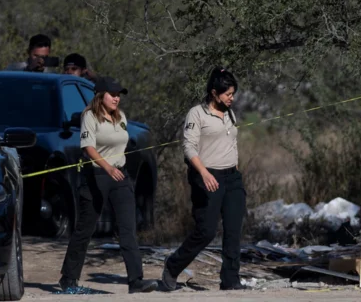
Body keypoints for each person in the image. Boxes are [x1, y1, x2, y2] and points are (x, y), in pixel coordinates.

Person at [58, 76, 158, 294]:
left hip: (119, 176)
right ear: (100, 95)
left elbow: (121, 143)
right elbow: (88, 147)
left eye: (119, 95)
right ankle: (68, 278)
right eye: (112, 94)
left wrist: (118, 168)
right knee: (85, 228)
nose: (117, 98)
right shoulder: (89, 116)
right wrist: (107, 167)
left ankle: (136, 281)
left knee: (127, 228)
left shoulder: (120, 116)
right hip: (96, 175)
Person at [162, 66, 247, 291]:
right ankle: (172, 266)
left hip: (231, 178)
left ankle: (230, 279)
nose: (232, 98)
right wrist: (205, 173)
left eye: (233, 93)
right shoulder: (197, 114)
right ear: (214, 93)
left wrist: (235, 167)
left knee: (233, 229)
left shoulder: (230, 112)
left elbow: (232, 141)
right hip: (207, 175)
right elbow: (189, 147)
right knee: (206, 231)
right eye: (228, 94)